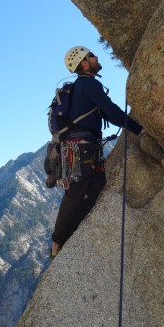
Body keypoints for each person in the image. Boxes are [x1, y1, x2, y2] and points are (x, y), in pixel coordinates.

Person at [51, 46, 143, 259]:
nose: (96, 57)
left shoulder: (81, 87)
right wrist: (140, 129)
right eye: (92, 56)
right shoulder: (88, 84)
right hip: (81, 149)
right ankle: (57, 243)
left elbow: (108, 115)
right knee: (75, 195)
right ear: (84, 63)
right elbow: (112, 111)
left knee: (95, 190)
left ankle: (73, 236)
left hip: (84, 149)